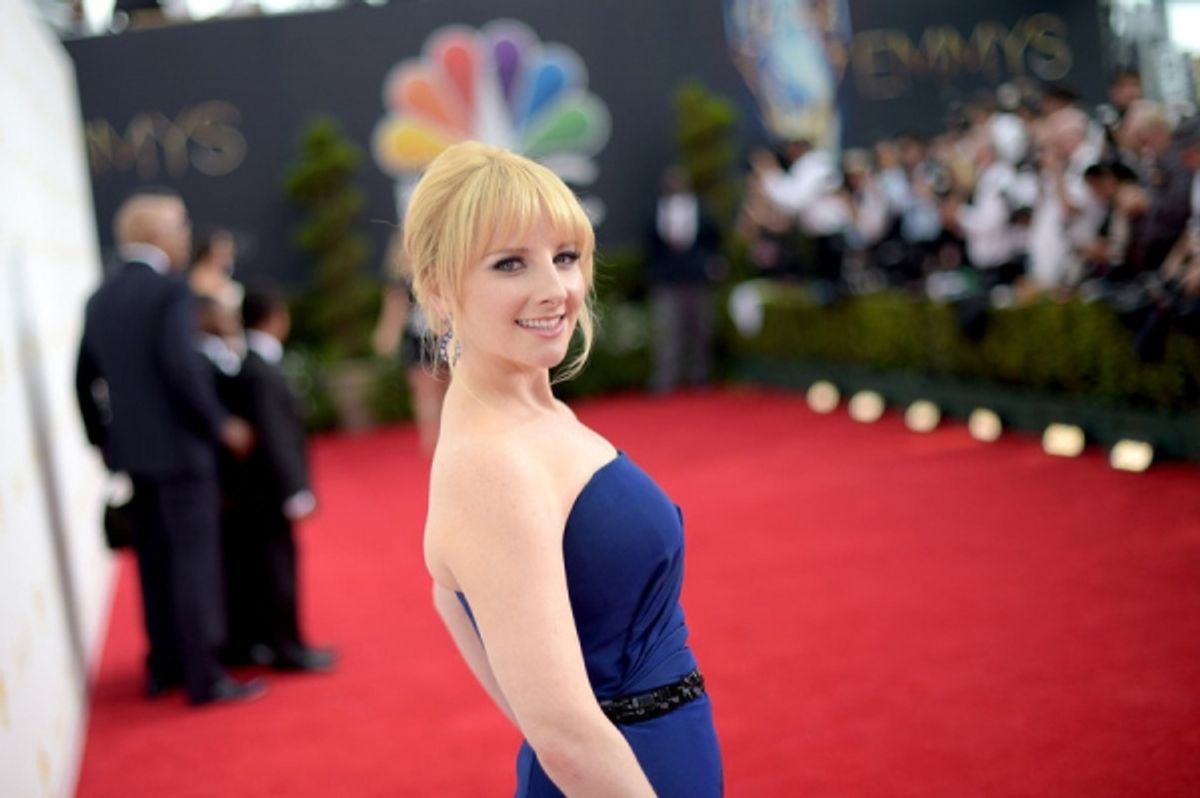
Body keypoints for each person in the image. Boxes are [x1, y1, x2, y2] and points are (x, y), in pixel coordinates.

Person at [405, 142, 722, 796]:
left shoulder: (530, 416)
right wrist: (564, 736)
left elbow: (448, 596)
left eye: (566, 257)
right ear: (439, 288)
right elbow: (564, 737)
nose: (556, 290)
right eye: (510, 263)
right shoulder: (492, 461)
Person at [75, 188, 265, 706]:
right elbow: (181, 369)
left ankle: (164, 669)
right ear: (154, 235)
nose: (185, 235)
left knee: (154, 562)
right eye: (179, 225)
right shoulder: (169, 291)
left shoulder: (100, 295)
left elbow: (83, 378)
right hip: (183, 452)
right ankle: (205, 676)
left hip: (133, 456)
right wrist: (219, 424)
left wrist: (105, 442)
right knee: (194, 562)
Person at [222, 284, 336, 672]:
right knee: (276, 570)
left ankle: (280, 643)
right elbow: (277, 435)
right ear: (275, 318)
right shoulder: (259, 369)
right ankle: (288, 649)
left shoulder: (253, 364)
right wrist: (295, 490)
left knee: (271, 568)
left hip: (261, 491)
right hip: (269, 492)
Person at [372, 230, 448, 456]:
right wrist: (387, 336)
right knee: (428, 392)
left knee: (440, 391)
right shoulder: (403, 282)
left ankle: (440, 439)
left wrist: (387, 336)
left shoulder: (442, 275)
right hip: (423, 340)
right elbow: (394, 313)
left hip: (445, 337)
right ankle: (433, 441)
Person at [646, 166, 721, 393]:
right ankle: (666, 377)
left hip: (697, 278)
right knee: (667, 330)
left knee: (701, 330)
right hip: (667, 279)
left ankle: (700, 376)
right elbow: (650, 245)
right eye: (671, 180)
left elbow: (714, 240)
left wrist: (711, 265)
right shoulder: (654, 211)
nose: (675, 184)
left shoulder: (702, 210)